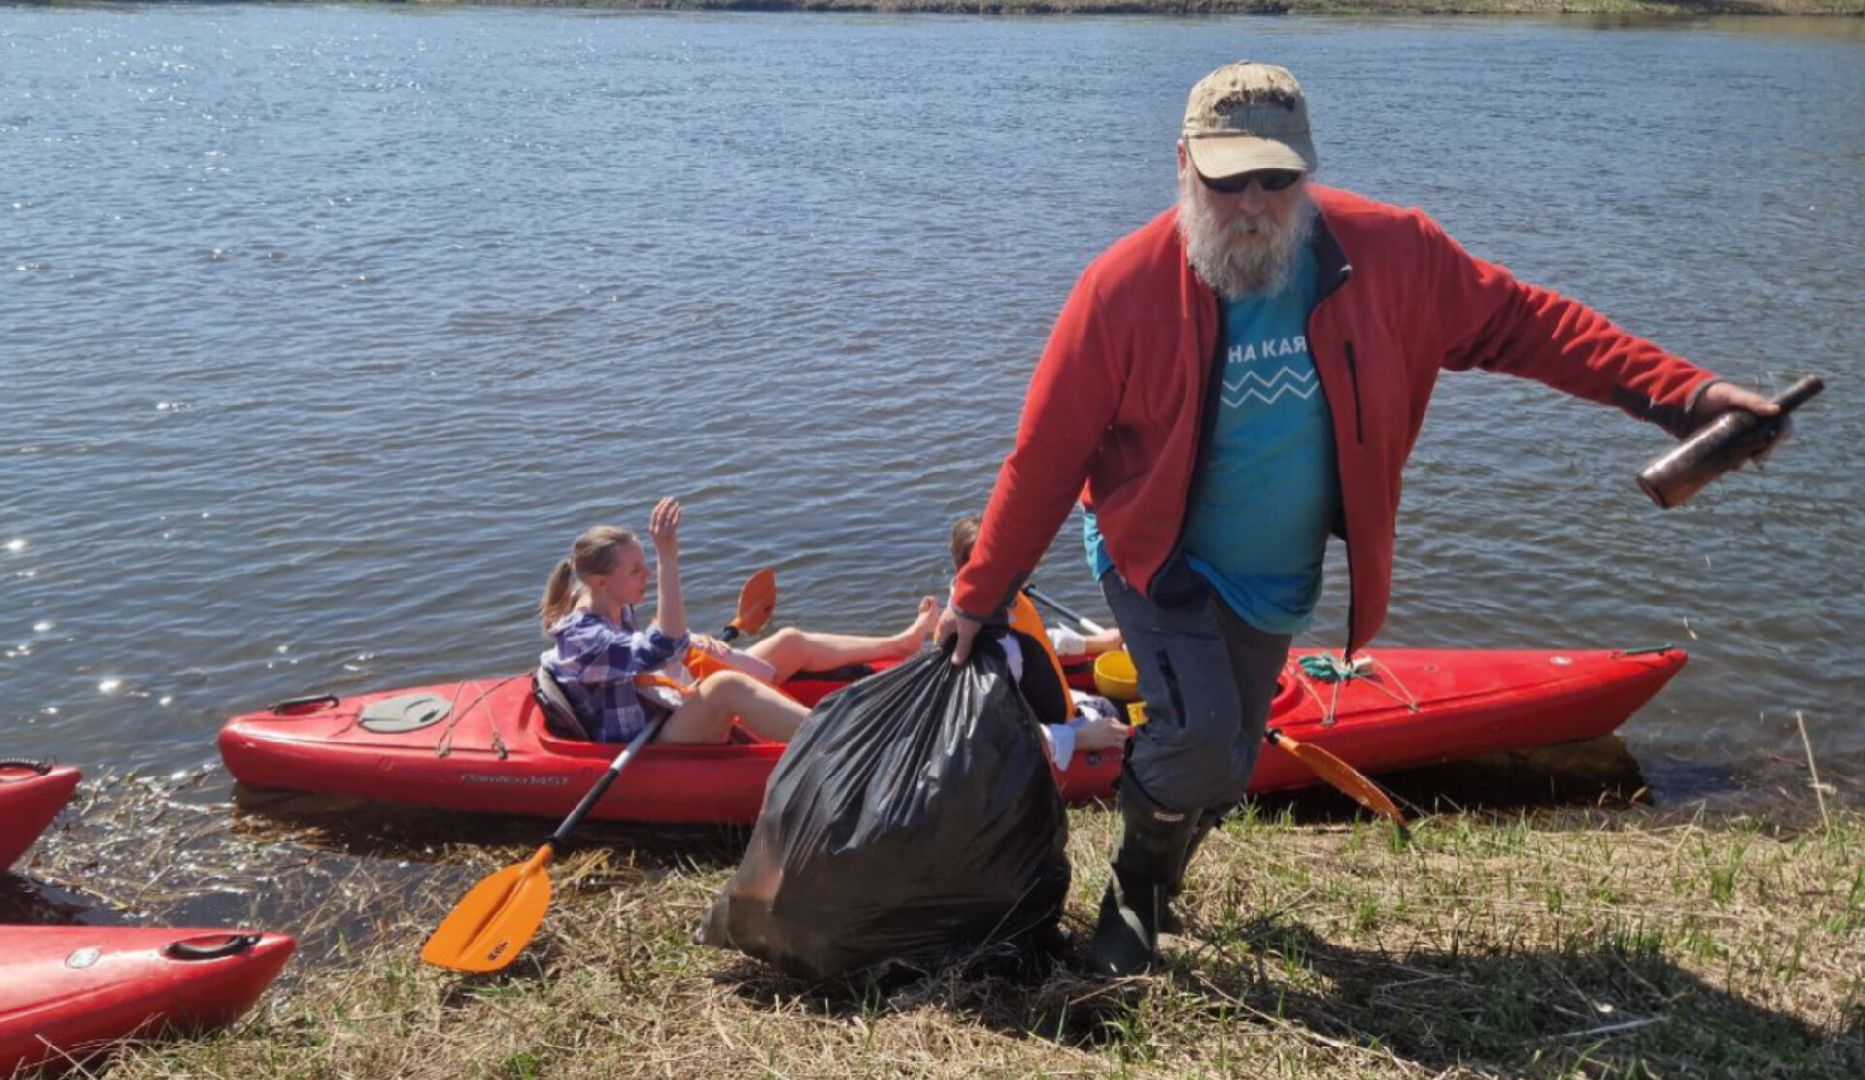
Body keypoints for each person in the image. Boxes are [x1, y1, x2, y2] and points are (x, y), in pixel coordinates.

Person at [935, 61, 1786, 978]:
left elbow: (1531, 325)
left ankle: (1162, 873)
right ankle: (1131, 908)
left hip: (1273, 568)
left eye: (1277, 178)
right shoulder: (1122, 290)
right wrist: (980, 596)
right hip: (1158, 552)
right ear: (1182, 165)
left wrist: (1684, 396)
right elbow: (1045, 456)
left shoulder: (1392, 253)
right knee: (1198, 745)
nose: (1254, 203)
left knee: (1227, 754)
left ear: (1308, 167)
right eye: (1227, 182)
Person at [541, 497, 937, 745]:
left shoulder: (610, 601)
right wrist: (668, 559)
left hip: (664, 700)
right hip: (649, 738)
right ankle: (852, 743)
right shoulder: (583, 637)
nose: (645, 576)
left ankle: (900, 644)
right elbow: (661, 645)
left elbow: (664, 645)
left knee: (789, 641)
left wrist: (692, 642)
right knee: (726, 685)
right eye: (636, 571)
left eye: (646, 565)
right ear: (600, 581)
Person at [947, 514, 1129, 771]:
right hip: (1053, 739)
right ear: (968, 573)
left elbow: (1034, 639)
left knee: (1120, 705)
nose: (1019, 571)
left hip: (1064, 709)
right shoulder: (984, 648)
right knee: (1145, 724)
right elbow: (1002, 736)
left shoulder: (997, 599)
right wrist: (1080, 739)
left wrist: (1097, 643)